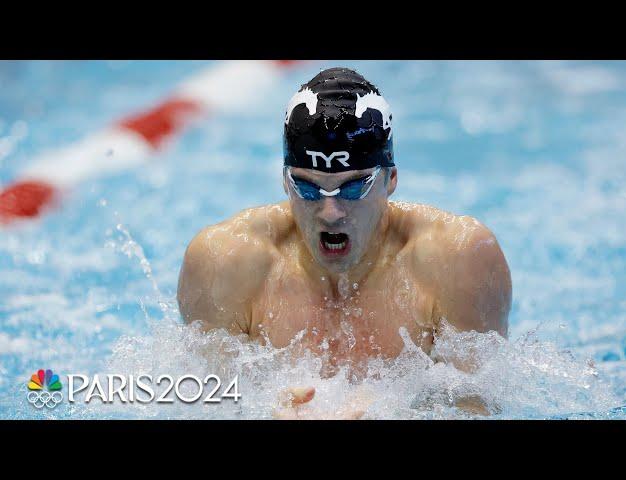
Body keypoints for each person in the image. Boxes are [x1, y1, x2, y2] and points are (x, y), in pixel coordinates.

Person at [177, 67, 512, 418]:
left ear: (391, 179)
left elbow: (476, 407)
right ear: (285, 182)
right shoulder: (225, 263)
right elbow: (204, 403)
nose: (331, 212)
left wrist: (396, 413)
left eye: (353, 187)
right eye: (308, 187)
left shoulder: (458, 259)